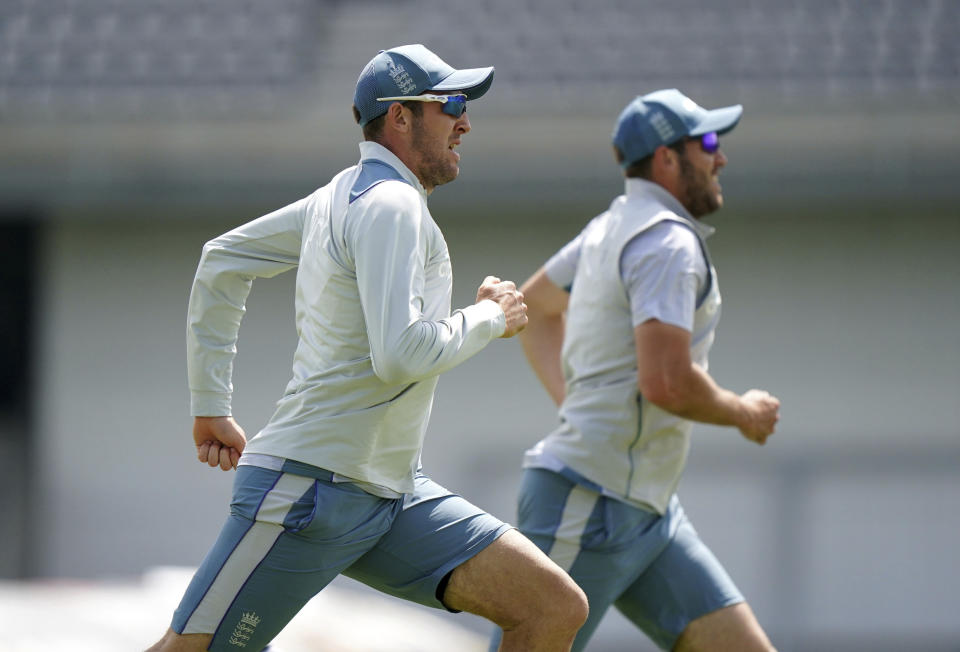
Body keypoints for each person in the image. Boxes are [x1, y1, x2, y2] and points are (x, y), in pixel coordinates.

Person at [148, 44, 587, 652]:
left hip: (389, 493)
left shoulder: (346, 194)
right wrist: (490, 316)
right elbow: (401, 353)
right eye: (451, 103)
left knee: (552, 606)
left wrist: (210, 406)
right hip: (310, 491)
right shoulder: (392, 203)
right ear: (399, 118)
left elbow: (223, 261)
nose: (466, 121)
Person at [494, 89, 781, 651]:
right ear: (666, 159)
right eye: (706, 141)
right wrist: (743, 412)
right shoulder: (667, 243)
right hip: (588, 503)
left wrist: (573, 402)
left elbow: (534, 308)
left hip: (647, 511)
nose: (719, 155)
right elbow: (667, 382)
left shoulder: (613, 225)